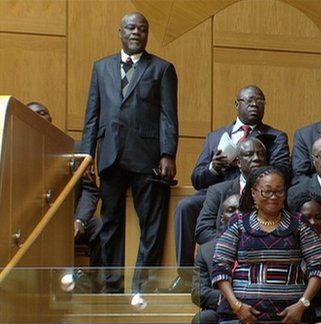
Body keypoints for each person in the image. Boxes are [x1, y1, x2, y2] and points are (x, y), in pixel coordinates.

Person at [80, 12, 178, 293]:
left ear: (147, 35)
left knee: (151, 226)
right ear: (120, 31)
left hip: (148, 158)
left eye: (142, 29)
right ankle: (112, 287)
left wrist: (168, 153)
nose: (137, 32)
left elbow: (168, 115)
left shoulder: (162, 68)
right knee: (109, 223)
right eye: (131, 28)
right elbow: (92, 116)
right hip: (110, 155)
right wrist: (88, 155)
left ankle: (141, 289)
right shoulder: (101, 68)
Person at [171, 85, 289, 291]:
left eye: (260, 100)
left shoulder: (274, 136)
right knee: (186, 206)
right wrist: (214, 167)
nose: (254, 104)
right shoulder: (215, 136)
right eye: (249, 100)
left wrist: (255, 165)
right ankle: (187, 274)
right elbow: (198, 178)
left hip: (257, 192)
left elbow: (282, 171)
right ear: (237, 104)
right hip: (219, 192)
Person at [211, 166, 321, 324]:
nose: (274, 196)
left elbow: (318, 267)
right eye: (267, 191)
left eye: (279, 191)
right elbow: (220, 266)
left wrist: (302, 304)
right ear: (253, 193)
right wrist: (237, 306)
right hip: (240, 316)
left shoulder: (299, 223)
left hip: (292, 317)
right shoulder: (238, 222)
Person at [30, 101, 102, 289]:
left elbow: (90, 189)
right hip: (36, 224)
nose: (38, 117)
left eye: (42, 112)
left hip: (73, 221)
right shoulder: (19, 154)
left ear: (51, 119)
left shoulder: (76, 150)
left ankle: (96, 284)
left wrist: (79, 220)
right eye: (32, 114)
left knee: (101, 227)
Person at [195, 138, 268, 246]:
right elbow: (203, 231)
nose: (256, 158)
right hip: (224, 252)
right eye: (249, 154)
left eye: (261, 154)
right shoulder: (218, 191)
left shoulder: (275, 192)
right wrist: (233, 243)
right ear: (238, 162)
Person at [191, 194, 240, 324]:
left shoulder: (261, 243)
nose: (237, 214)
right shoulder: (206, 249)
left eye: (242, 210)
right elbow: (198, 292)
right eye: (231, 210)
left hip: (258, 306)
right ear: (222, 219)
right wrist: (231, 299)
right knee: (202, 318)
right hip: (220, 309)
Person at [289, 191, 321, 322]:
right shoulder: (285, 245)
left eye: (318, 217)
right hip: (291, 311)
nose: (313, 222)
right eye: (307, 217)